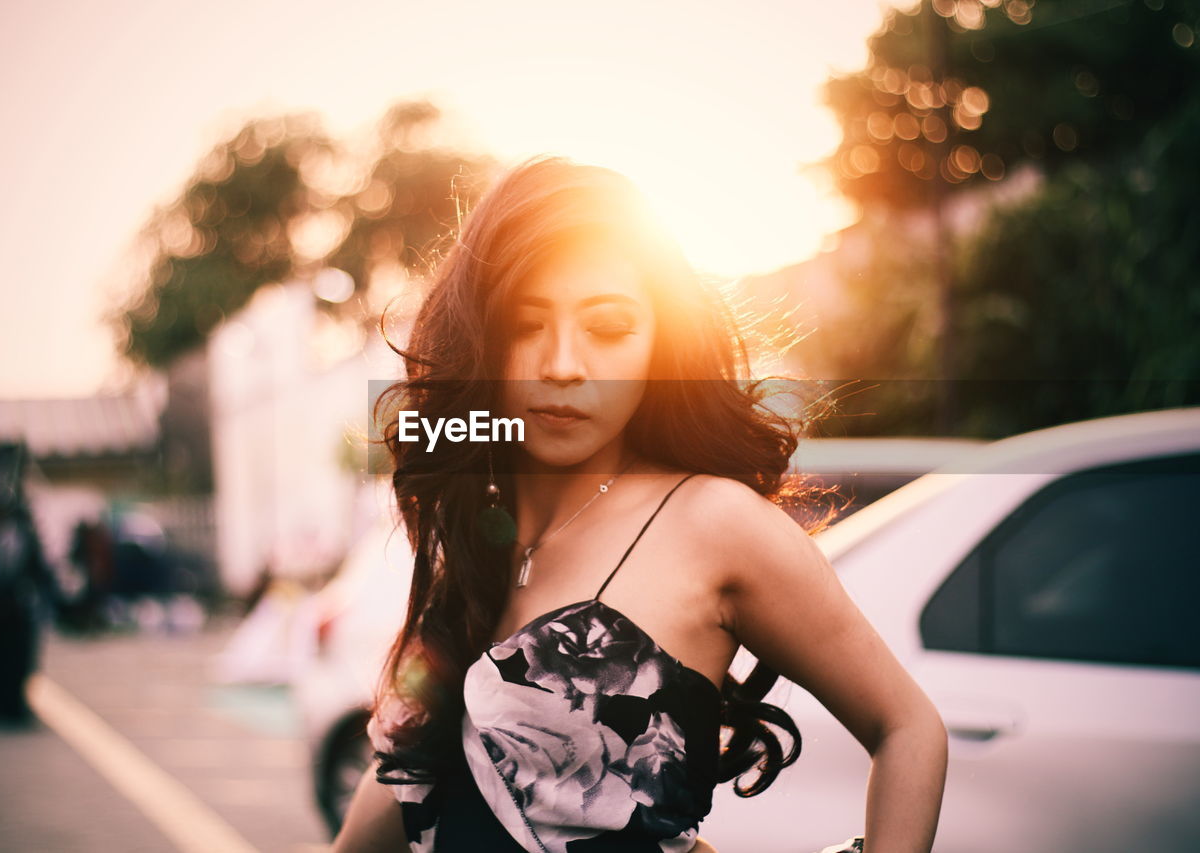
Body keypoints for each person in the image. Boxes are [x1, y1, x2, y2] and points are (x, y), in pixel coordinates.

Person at [333, 156, 947, 852]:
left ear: (661, 343)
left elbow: (907, 729)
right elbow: (386, 812)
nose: (564, 363)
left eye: (608, 327)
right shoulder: (480, 537)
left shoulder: (715, 524)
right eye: (526, 324)